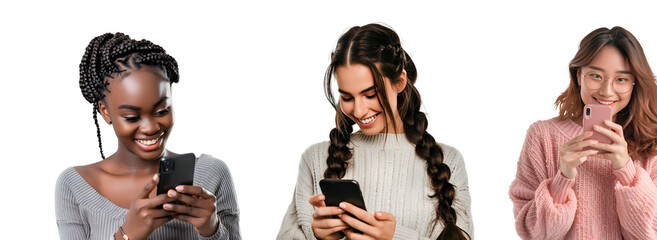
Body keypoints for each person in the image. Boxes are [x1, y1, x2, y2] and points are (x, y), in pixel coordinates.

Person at [276, 23, 473, 240]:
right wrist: (317, 236)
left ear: (399, 82)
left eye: (370, 94)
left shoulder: (449, 161)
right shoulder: (315, 159)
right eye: (347, 97)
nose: (359, 111)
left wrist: (395, 237)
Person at [508, 27, 657, 239]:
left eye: (621, 79)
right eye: (596, 76)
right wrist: (564, 176)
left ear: (634, 84)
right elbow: (533, 233)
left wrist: (626, 170)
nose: (606, 91)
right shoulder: (542, 136)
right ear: (578, 76)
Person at [55, 33, 240, 240]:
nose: (151, 127)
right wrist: (128, 235)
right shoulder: (76, 185)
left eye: (162, 111)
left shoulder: (212, 174)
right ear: (105, 112)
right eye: (132, 117)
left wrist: (212, 230)